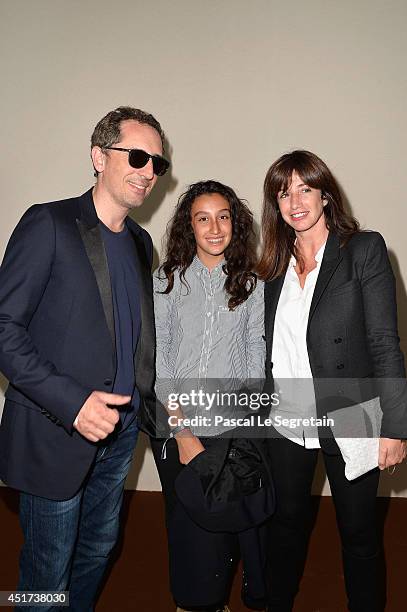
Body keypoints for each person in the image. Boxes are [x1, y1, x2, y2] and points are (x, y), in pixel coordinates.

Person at [0, 106, 169, 610]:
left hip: (119, 437)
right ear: (99, 156)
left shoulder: (141, 244)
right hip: (58, 431)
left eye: (157, 163)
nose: (148, 172)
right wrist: (73, 405)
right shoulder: (48, 222)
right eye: (136, 156)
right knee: (47, 569)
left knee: (97, 549)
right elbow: (4, 329)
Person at [257, 149, 407, 612]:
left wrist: (395, 426)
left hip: (352, 412)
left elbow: (384, 342)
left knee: (358, 533)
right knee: (284, 526)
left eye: (305, 188)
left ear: (325, 194)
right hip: (285, 420)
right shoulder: (271, 269)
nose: (295, 200)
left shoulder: (362, 249)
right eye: (284, 192)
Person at [152, 180, 273, 612]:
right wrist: (181, 429)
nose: (214, 227)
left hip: (231, 428)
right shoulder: (166, 280)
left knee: (223, 526)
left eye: (223, 216)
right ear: (190, 225)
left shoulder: (252, 284)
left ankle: (216, 598)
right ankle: (191, 602)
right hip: (177, 425)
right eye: (203, 218)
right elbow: (160, 358)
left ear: (234, 224)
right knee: (186, 524)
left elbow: (256, 352)